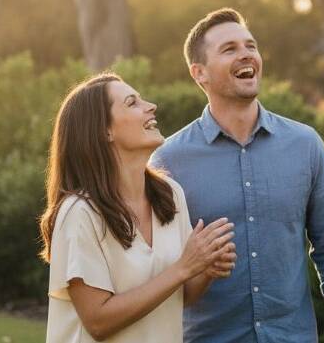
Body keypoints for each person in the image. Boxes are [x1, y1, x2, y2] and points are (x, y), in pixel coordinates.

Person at [150, 8, 324, 343]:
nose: (246, 54)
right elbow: (159, 270)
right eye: (229, 49)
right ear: (199, 73)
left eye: (250, 45)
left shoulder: (305, 145)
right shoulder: (167, 161)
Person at [40, 73, 237, 343]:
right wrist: (183, 267)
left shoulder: (170, 195)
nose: (151, 106)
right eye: (132, 102)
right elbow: (98, 321)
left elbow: (183, 295)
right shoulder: (79, 212)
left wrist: (204, 268)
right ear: (103, 130)